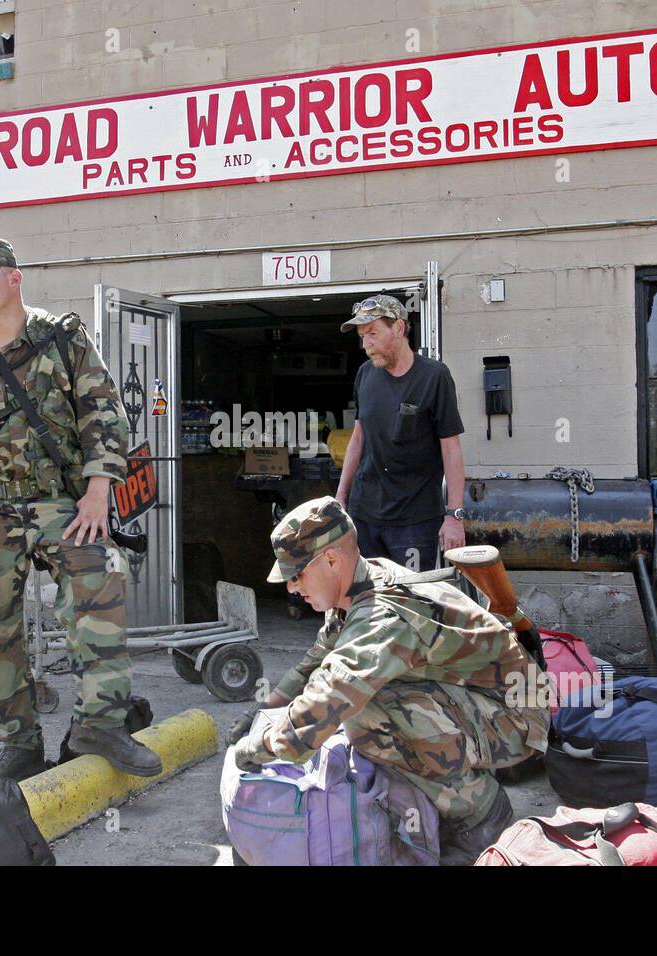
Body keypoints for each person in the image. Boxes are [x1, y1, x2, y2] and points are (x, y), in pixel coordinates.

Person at [0, 237, 161, 781]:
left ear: (13, 278)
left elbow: (104, 415)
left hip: (58, 504)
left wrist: (99, 490)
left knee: (101, 579)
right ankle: (19, 743)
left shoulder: (62, 339)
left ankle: (100, 722)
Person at [228, 496, 548, 865]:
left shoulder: (381, 616)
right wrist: (262, 712)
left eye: (296, 574)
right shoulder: (358, 587)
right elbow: (311, 666)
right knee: (368, 702)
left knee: (366, 711)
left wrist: (259, 747)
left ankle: (478, 813)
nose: (290, 588)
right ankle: (436, 793)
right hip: (482, 701)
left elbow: (329, 696)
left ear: (332, 560)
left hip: (518, 717)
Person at [334, 294, 467, 571]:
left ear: (399, 328)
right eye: (361, 337)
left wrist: (454, 516)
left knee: (413, 602)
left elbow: (451, 448)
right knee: (367, 599)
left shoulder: (434, 376)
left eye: (372, 333)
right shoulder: (365, 375)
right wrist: (340, 498)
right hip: (365, 514)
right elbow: (358, 437)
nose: (366, 345)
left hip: (415, 518)